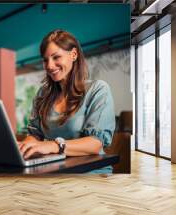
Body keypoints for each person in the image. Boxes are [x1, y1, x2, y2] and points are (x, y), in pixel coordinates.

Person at [18, 29, 115, 172]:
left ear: (74, 55)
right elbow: (34, 135)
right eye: (45, 60)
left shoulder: (98, 89)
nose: (49, 66)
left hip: (90, 172)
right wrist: (21, 147)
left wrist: (54, 145)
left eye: (56, 57)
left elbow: (95, 144)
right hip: (55, 170)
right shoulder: (42, 94)